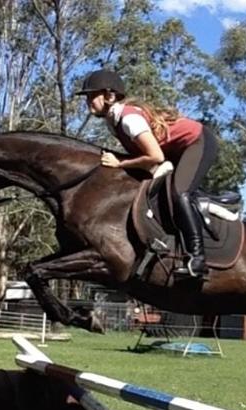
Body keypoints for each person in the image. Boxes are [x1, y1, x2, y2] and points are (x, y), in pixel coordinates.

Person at [76, 69, 218, 279]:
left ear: (110, 96)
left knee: (179, 192)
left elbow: (155, 156)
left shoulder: (128, 120)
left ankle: (198, 260)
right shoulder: (113, 122)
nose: (88, 101)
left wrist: (120, 163)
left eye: (92, 95)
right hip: (175, 151)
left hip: (197, 142)